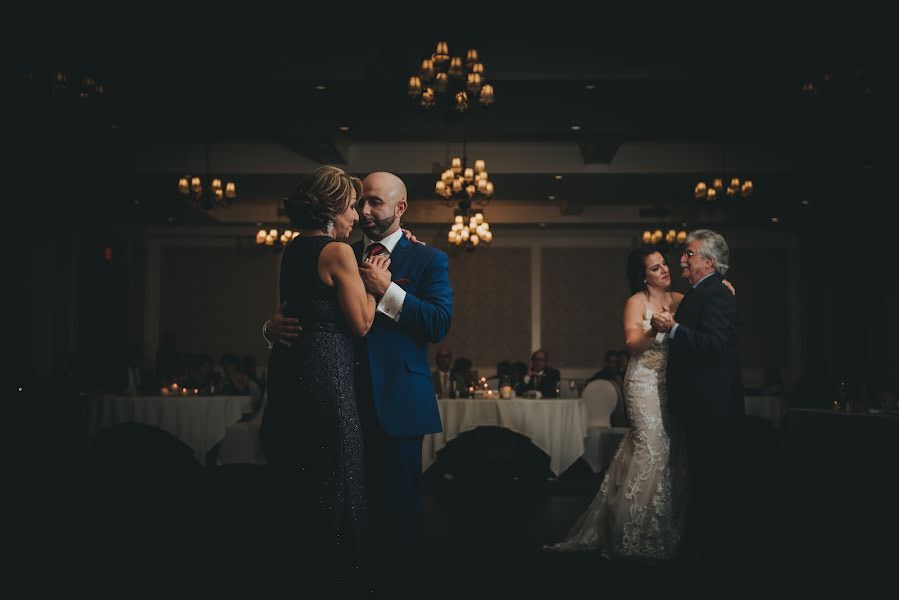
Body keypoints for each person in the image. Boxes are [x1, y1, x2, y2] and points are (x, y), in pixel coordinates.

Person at [264, 171, 453, 591]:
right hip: (335, 399)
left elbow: (439, 324)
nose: (365, 211)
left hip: (397, 404)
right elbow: (301, 310)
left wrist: (389, 290)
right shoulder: (335, 249)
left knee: (399, 514)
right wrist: (269, 328)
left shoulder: (427, 259)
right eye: (359, 202)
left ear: (400, 209)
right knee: (341, 506)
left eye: (375, 203)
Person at [258, 166, 384, 589]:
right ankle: (334, 569)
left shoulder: (292, 249)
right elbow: (362, 324)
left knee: (299, 467)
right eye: (351, 206)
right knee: (337, 466)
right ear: (333, 208)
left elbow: (288, 312)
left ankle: (295, 565)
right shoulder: (338, 252)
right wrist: (373, 284)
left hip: (291, 368)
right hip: (326, 374)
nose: (356, 216)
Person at [650, 229, 743, 560]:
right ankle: (702, 545)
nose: (682, 259)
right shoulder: (700, 292)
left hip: (710, 406)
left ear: (709, 261)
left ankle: (709, 552)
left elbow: (715, 345)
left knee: (710, 479)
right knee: (700, 477)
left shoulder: (715, 294)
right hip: (698, 404)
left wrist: (672, 330)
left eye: (689, 254)